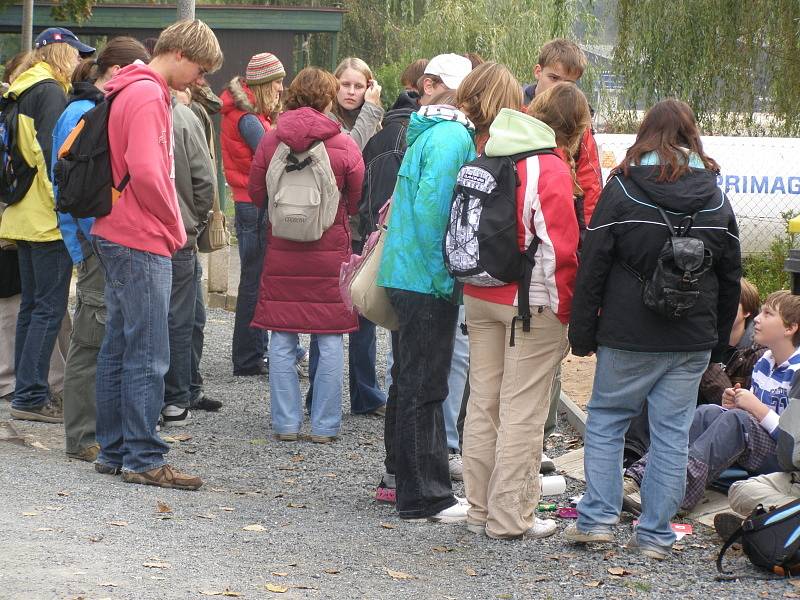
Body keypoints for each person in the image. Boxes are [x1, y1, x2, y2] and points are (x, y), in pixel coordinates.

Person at [564, 99, 741, 560]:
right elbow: (729, 279)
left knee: (606, 421)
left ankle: (599, 520)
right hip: (690, 338)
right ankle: (656, 534)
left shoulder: (622, 190)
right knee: (672, 433)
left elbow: (593, 266)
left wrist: (582, 334)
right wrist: (719, 346)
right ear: (692, 137)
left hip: (627, 332)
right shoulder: (717, 197)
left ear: (644, 135)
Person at [91, 19, 222, 490]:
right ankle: (144, 456)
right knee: (149, 350)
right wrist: (174, 224)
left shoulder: (124, 87)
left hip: (114, 227)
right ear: (182, 55)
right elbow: (148, 170)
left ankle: (114, 449)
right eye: (201, 70)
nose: (201, 81)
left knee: (119, 346)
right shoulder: (148, 93)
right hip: (140, 235)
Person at [461, 77, 584, 540]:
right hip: (528, 305)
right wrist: (567, 313)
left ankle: (478, 510)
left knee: (483, 404)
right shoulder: (547, 168)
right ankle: (510, 517)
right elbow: (559, 250)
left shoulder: (490, 150)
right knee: (522, 412)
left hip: (478, 293)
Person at [375, 54, 480, 523]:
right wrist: (446, 279)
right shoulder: (453, 136)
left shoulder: (425, 130)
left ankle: (406, 483)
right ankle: (426, 496)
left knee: (410, 380)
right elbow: (436, 212)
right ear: (434, 85)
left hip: (405, 271)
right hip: (426, 276)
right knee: (426, 385)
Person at [247, 67, 364, 443]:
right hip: (328, 251)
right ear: (328, 99)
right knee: (328, 337)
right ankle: (325, 427)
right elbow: (357, 198)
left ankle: (285, 425)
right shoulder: (343, 143)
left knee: (281, 337)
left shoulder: (271, 140)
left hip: (283, 250)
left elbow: (255, 194)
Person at [51, 38, 150, 461]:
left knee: (101, 335)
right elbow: (69, 186)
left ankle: (96, 432)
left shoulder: (91, 107)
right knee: (91, 340)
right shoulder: (84, 112)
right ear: (117, 71)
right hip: (97, 242)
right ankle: (82, 437)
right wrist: (86, 246)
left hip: (101, 239)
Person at [624, 290, 800, 513]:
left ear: (789, 328)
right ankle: (638, 478)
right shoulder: (765, 361)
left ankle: (672, 494)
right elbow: (752, 418)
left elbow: (792, 441)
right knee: (707, 412)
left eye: (768, 314)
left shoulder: (797, 371)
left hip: (785, 460)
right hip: (761, 445)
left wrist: (754, 407)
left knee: (737, 419)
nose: (757, 318)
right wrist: (736, 402)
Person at [1, 27, 93, 423]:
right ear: (60, 53)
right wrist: (65, 210)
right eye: (76, 54)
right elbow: (52, 159)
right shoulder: (51, 93)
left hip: (20, 214)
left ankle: (25, 391)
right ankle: (32, 397)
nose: (79, 62)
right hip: (46, 218)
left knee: (31, 308)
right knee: (48, 310)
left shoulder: (19, 90)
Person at [522, 39, 603, 472]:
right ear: (537, 73)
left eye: (569, 83)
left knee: (549, 356)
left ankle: (539, 438)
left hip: (563, 240)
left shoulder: (581, 130)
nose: (560, 88)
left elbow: (591, 187)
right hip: (521, 248)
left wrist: (588, 241)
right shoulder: (518, 116)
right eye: (554, 79)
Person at [306, 57, 385, 417]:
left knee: (363, 313)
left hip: (363, 227)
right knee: (328, 316)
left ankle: (365, 392)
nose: (351, 93)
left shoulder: (374, 120)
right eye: (346, 85)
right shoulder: (328, 120)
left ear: (368, 86)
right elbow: (346, 151)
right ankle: (319, 396)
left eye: (358, 86)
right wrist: (370, 113)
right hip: (333, 228)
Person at [623, 278, 764, 467]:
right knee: (655, 383)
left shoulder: (754, 352)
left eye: (730, 302)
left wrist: (705, 362)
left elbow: (739, 408)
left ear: (747, 312)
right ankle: (632, 453)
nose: (721, 307)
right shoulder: (703, 337)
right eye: (717, 301)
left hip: (726, 425)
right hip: (695, 407)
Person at [220, 52, 286, 377]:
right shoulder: (247, 119)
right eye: (277, 82)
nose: (281, 89)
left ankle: (253, 354)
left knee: (255, 279)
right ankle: (247, 358)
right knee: (253, 282)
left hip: (249, 202)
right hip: (253, 204)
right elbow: (273, 155)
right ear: (262, 84)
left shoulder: (249, 114)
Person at [160, 87, 216, 427]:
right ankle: (176, 399)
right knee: (180, 319)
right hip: (178, 234)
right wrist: (194, 222)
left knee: (179, 317)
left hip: (152, 234)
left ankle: (184, 391)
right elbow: (204, 180)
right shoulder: (182, 116)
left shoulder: (125, 109)